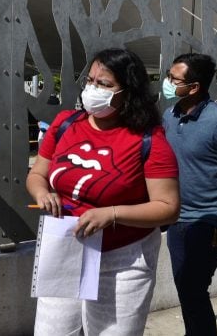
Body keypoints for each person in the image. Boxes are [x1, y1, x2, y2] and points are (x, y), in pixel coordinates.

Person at [26, 48, 180, 335]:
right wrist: (41, 193)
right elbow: (37, 174)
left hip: (122, 259)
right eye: (91, 80)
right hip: (64, 248)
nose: (92, 89)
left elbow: (168, 206)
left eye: (104, 84)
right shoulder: (65, 123)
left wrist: (111, 214)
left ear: (128, 92)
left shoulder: (149, 139)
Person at [161, 53, 217, 336]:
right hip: (177, 218)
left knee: (192, 287)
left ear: (194, 87)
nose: (167, 83)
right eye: (168, 76)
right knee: (187, 288)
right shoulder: (169, 114)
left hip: (209, 221)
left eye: (173, 79)